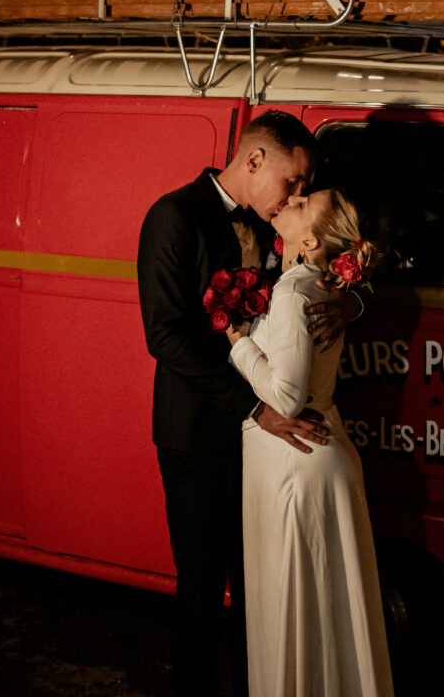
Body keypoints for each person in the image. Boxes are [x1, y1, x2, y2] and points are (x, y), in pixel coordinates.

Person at [137, 111, 350, 697]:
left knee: (261, 588)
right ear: (254, 160)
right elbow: (165, 334)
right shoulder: (174, 216)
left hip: (264, 445)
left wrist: (350, 306)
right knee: (203, 591)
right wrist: (254, 409)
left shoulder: (281, 224)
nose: (298, 195)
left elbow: (333, 258)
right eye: (293, 182)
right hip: (200, 435)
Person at [227, 188, 395, 697]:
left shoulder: (295, 290)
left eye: (302, 202)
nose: (292, 198)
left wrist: (238, 346)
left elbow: (285, 395)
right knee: (327, 618)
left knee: (296, 612)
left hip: (295, 463)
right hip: (317, 454)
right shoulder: (316, 282)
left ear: (309, 239)